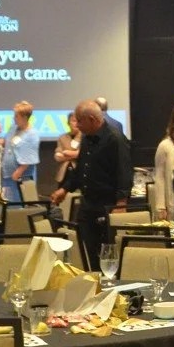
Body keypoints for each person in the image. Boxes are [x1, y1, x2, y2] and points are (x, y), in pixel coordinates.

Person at [50, 100, 131, 271]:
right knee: (87, 251)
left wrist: (121, 204)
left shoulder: (115, 138)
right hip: (88, 204)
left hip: (107, 205)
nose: (77, 125)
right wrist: (65, 189)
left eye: (80, 121)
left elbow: (124, 172)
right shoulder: (87, 139)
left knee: (107, 254)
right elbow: (81, 170)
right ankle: (92, 281)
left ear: (92, 120)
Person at [1, 102, 39, 202]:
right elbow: (7, 141)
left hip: (21, 177)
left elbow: (29, 157)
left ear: (24, 117)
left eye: (16, 116)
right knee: (8, 204)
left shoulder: (32, 134)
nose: (14, 118)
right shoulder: (13, 128)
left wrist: (18, 172)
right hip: (8, 175)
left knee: (20, 205)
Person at [54, 112, 81, 184]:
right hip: (64, 173)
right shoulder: (62, 137)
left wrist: (66, 153)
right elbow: (57, 156)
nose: (76, 123)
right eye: (74, 121)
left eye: (78, 121)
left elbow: (82, 154)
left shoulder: (85, 137)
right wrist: (74, 155)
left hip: (79, 173)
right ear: (68, 123)